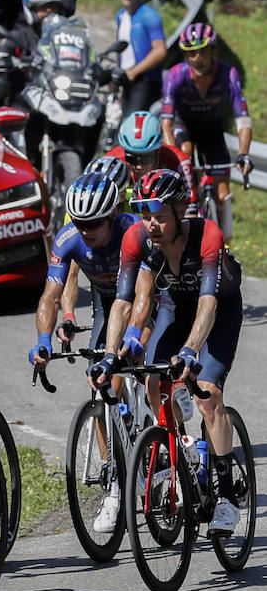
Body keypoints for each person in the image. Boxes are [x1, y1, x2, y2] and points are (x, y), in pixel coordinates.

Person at [92, 168, 244, 537]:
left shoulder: (207, 235)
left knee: (208, 394)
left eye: (159, 217)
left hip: (219, 312)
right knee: (153, 380)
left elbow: (208, 304)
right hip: (176, 309)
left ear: (181, 211)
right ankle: (184, 449)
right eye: (146, 217)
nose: (151, 226)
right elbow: (123, 302)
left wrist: (191, 351)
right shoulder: (137, 239)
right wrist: (110, 353)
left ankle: (226, 498)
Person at [29, 168, 138, 533]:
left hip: (146, 301)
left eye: (94, 223)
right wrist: (44, 338)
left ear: (112, 215)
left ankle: (168, 447)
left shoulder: (132, 232)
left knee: (146, 374)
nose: (86, 231)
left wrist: (131, 341)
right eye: (79, 222)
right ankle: (115, 483)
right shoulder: (68, 239)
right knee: (101, 384)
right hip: (109, 301)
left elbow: (146, 297)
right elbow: (51, 295)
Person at [160, 22, 253, 237]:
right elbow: (167, 121)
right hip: (184, 128)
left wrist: (243, 153)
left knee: (222, 195)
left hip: (211, 130)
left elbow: (243, 120)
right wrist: (172, 157)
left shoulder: (228, 74)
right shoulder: (175, 76)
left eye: (202, 52)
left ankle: (226, 248)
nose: (197, 59)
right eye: (191, 54)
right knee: (184, 147)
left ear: (214, 51)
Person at [0, 0, 68, 120]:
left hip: (58, 91)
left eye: (54, 7)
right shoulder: (18, 36)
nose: (50, 11)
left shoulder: (66, 38)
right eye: (44, 7)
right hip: (22, 90)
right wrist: (7, 60)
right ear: (31, 9)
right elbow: (0, 54)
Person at [105, 110, 194, 206]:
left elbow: (189, 210)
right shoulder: (111, 160)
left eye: (146, 159)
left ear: (157, 152)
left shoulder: (179, 161)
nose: (139, 166)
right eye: (132, 159)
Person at [113, 0, 167, 115]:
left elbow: (160, 50)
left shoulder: (149, 16)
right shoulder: (120, 15)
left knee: (133, 126)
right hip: (127, 78)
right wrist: (116, 73)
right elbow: (121, 47)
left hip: (146, 81)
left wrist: (134, 71)